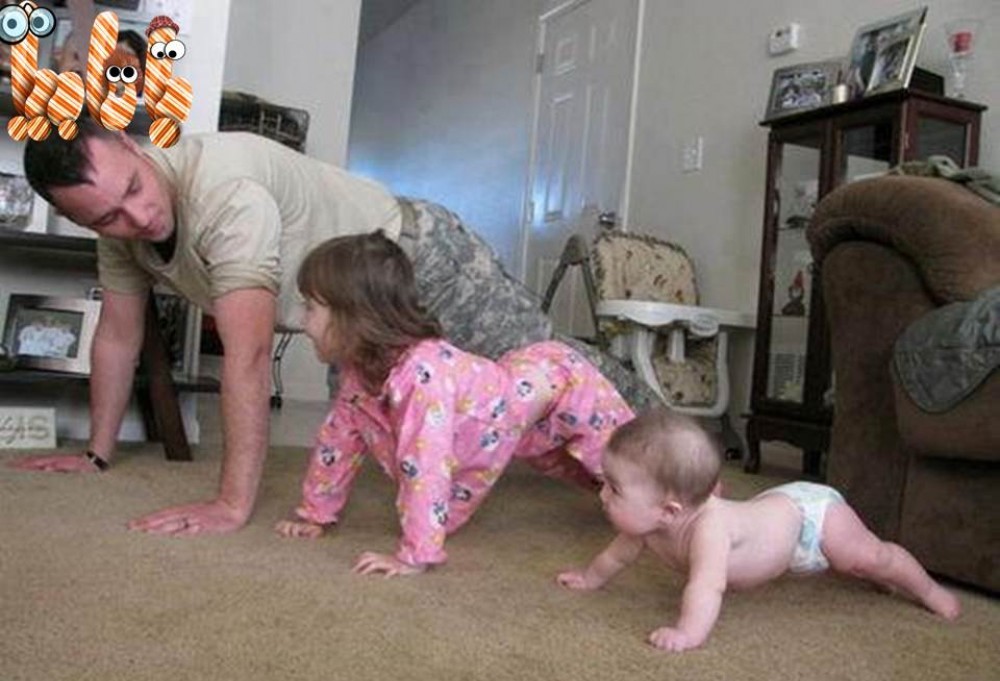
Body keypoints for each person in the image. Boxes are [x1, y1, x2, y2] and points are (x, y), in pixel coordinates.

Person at [14, 121, 653, 537]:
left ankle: (674, 455)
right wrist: (96, 453)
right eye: (108, 218)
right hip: (348, 309)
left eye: (134, 188)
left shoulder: (223, 193)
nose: (138, 217)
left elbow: (248, 355)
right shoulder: (119, 237)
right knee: (371, 427)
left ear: (132, 146)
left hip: (419, 259)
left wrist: (230, 506)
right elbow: (117, 336)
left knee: (553, 375)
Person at [275, 231, 634, 576]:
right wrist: (315, 513)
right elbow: (338, 440)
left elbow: (426, 465)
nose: (302, 322)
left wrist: (415, 554)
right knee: (587, 479)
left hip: (565, 383)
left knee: (629, 472)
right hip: (510, 401)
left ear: (352, 316)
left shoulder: (422, 377)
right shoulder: (358, 374)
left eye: (310, 308)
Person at [557, 409, 961, 652]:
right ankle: (881, 580)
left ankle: (928, 590)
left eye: (614, 488)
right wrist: (589, 578)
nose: (602, 494)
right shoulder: (646, 525)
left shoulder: (709, 529)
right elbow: (616, 557)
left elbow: (707, 586)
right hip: (774, 509)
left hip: (809, 519)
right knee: (861, 566)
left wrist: (687, 633)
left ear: (669, 510)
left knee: (869, 557)